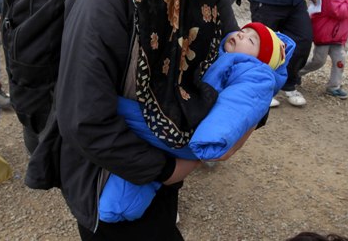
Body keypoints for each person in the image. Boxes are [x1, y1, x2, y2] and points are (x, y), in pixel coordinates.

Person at [25, 0, 253, 240]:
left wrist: (242, 118)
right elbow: (84, 119)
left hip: (170, 158)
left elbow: (238, 69)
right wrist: (168, 169)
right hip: (107, 175)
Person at [99, 22, 294, 223]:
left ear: (260, 60)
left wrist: (211, 139)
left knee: (132, 113)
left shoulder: (255, 74)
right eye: (243, 31)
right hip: (189, 128)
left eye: (251, 40)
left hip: (193, 133)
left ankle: (101, 99)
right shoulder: (224, 56)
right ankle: (120, 208)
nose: (241, 35)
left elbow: (236, 106)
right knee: (128, 190)